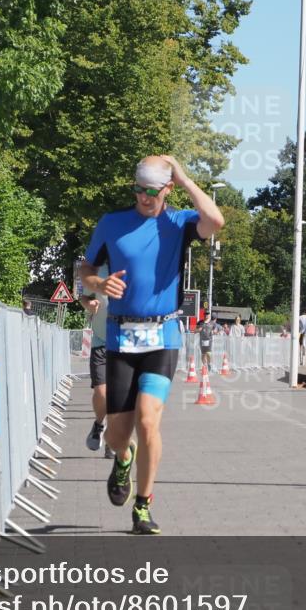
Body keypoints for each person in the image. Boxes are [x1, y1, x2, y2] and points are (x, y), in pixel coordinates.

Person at [80, 155, 224, 535]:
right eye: (139, 190)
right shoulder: (112, 223)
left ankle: (142, 506)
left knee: (148, 420)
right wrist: (97, 284)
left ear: (167, 189)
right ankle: (122, 459)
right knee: (116, 435)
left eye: (153, 191)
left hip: (163, 336)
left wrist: (185, 176)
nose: (144, 198)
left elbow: (216, 220)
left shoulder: (178, 223)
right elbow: (85, 269)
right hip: (120, 336)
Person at [80, 265, 113, 458]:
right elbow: (85, 297)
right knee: (101, 393)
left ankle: (112, 440)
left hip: (124, 344)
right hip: (100, 340)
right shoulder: (99, 271)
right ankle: (99, 424)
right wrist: (88, 304)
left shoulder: (134, 268)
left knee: (118, 395)